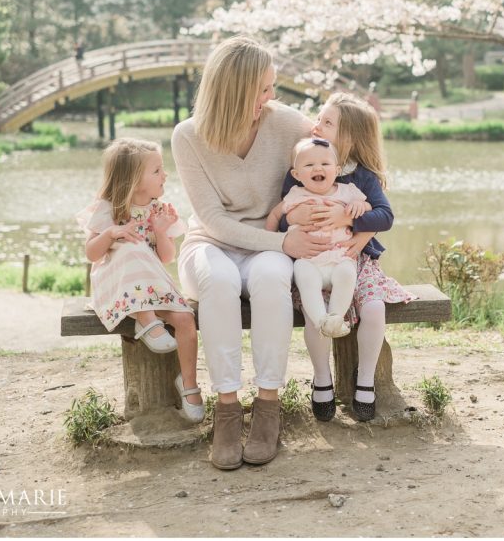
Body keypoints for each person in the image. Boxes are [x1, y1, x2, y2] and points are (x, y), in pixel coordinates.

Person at [171, 35, 331, 470]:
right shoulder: (188, 137)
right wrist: (283, 242)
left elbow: (337, 157)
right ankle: (226, 409)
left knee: (271, 277)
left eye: (272, 86)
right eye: (263, 88)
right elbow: (213, 220)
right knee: (219, 282)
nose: (271, 96)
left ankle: (267, 405)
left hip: (269, 243)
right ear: (235, 89)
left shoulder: (288, 123)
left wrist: (356, 220)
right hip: (211, 244)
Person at [278, 92, 416, 423]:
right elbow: (284, 216)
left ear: (349, 137)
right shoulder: (302, 168)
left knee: (373, 307)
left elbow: (386, 217)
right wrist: (299, 219)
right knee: (316, 313)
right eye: (319, 118)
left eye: (327, 122)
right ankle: (322, 378)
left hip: (357, 261)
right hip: (314, 260)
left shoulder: (362, 175)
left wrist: (350, 219)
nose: (317, 125)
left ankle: (365, 381)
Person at [76, 137, 204, 423]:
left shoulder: (159, 210)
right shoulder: (109, 209)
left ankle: (190, 383)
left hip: (150, 285)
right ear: (133, 179)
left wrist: (160, 232)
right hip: (118, 286)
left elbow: (166, 258)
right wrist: (110, 234)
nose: (165, 175)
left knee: (185, 319)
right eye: (157, 170)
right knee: (131, 246)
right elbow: (91, 254)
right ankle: (146, 319)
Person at [265, 138, 370, 339]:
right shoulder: (296, 194)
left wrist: (360, 206)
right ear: (296, 174)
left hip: (340, 258)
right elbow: (275, 215)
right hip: (309, 261)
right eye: (309, 165)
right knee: (305, 277)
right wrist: (270, 243)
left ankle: (335, 319)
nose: (317, 168)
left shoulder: (348, 192)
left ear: (337, 170)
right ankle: (320, 320)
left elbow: (369, 208)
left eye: (324, 164)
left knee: (348, 274)